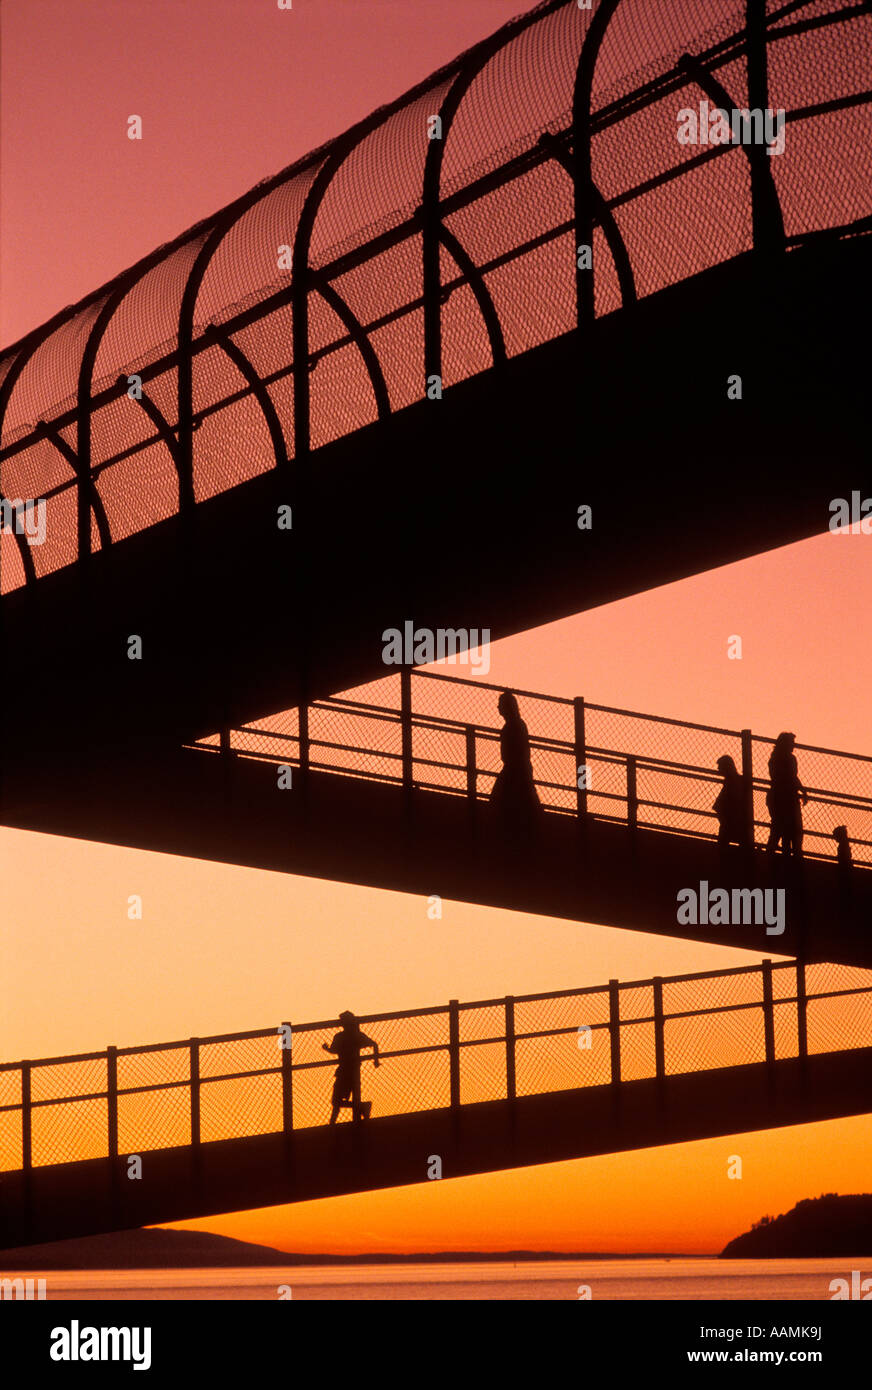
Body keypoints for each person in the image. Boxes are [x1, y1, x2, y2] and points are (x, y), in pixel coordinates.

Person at [490, 691, 541, 835]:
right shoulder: (517, 724)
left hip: (515, 770)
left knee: (502, 801)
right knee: (525, 801)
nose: (498, 708)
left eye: (500, 705)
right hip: (518, 769)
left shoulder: (513, 726)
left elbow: (513, 753)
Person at [323, 1011, 380, 1123]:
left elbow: (334, 1050)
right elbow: (374, 1044)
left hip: (344, 1070)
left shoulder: (340, 1036)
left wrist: (326, 1048)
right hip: (353, 1070)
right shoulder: (357, 1035)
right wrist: (376, 1060)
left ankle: (332, 1123)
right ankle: (361, 1107)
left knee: (336, 1100)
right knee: (347, 1099)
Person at [765, 732, 808, 857]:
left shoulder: (774, 758)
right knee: (791, 830)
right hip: (787, 798)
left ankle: (772, 856)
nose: (793, 746)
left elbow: (790, 777)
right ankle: (792, 859)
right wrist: (803, 791)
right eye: (791, 743)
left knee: (778, 829)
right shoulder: (788, 758)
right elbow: (792, 777)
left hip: (777, 797)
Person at [713, 754, 749, 849]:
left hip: (731, 819)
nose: (718, 769)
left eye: (720, 766)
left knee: (723, 846)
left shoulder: (732, 781)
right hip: (733, 819)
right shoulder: (734, 780)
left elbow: (721, 803)